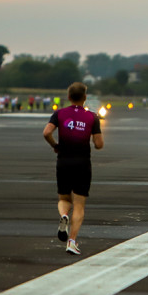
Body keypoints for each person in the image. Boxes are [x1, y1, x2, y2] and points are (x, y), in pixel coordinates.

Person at [43, 82, 104, 256]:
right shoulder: (92, 117)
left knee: (63, 197)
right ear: (84, 98)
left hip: (63, 161)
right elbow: (99, 144)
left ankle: (64, 216)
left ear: (69, 97)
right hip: (82, 163)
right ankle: (72, 241)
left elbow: (46, 132)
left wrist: (55, 145)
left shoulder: (59, 113)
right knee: (79, 204)